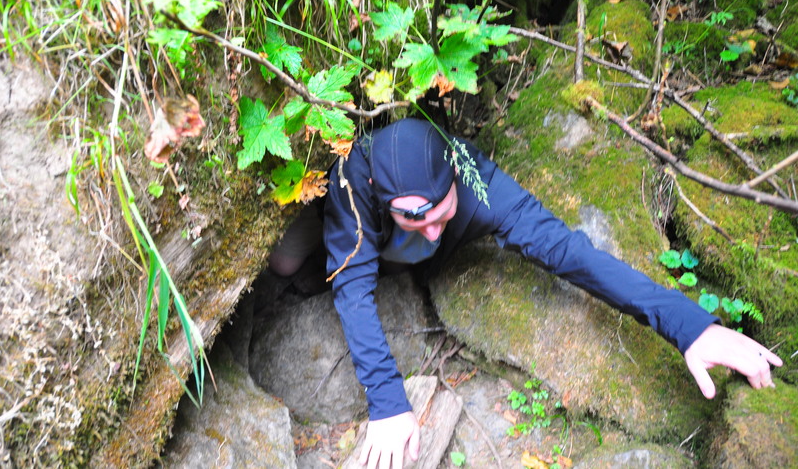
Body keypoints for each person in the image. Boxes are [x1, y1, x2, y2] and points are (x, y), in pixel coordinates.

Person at [269, 118, 782, 469]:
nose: (433, 230)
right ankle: (319, 255)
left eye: (443, 214)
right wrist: (387, 402)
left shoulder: (478, 183)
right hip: (346, 226)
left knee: (416, 250)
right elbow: (354, 292)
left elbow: (571, 253)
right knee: (286, 263)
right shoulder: (354, 187)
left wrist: (689, 325)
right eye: (416, 219)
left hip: (398, 249)